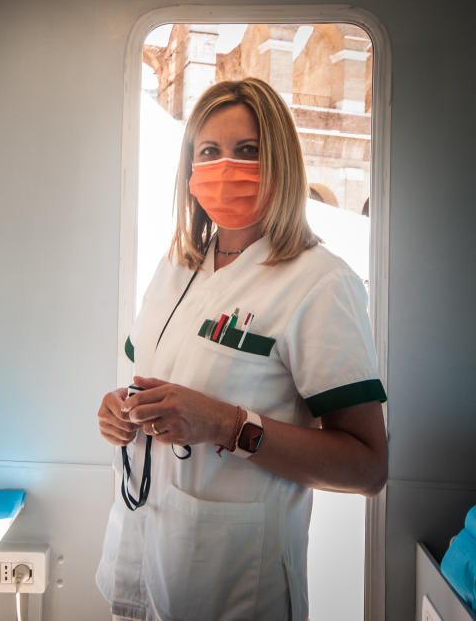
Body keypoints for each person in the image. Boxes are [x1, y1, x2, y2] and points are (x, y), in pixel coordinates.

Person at [95, 78, 387, 621]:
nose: (226, 166)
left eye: (248, 151)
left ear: (281, 163)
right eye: (209, 151)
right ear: (189, 172)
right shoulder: (176, 266)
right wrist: (120, 410)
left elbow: (367, 468)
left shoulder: (321, 283)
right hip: (143, 558)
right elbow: (151, 378)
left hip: (234, 588)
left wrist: (229, 426)